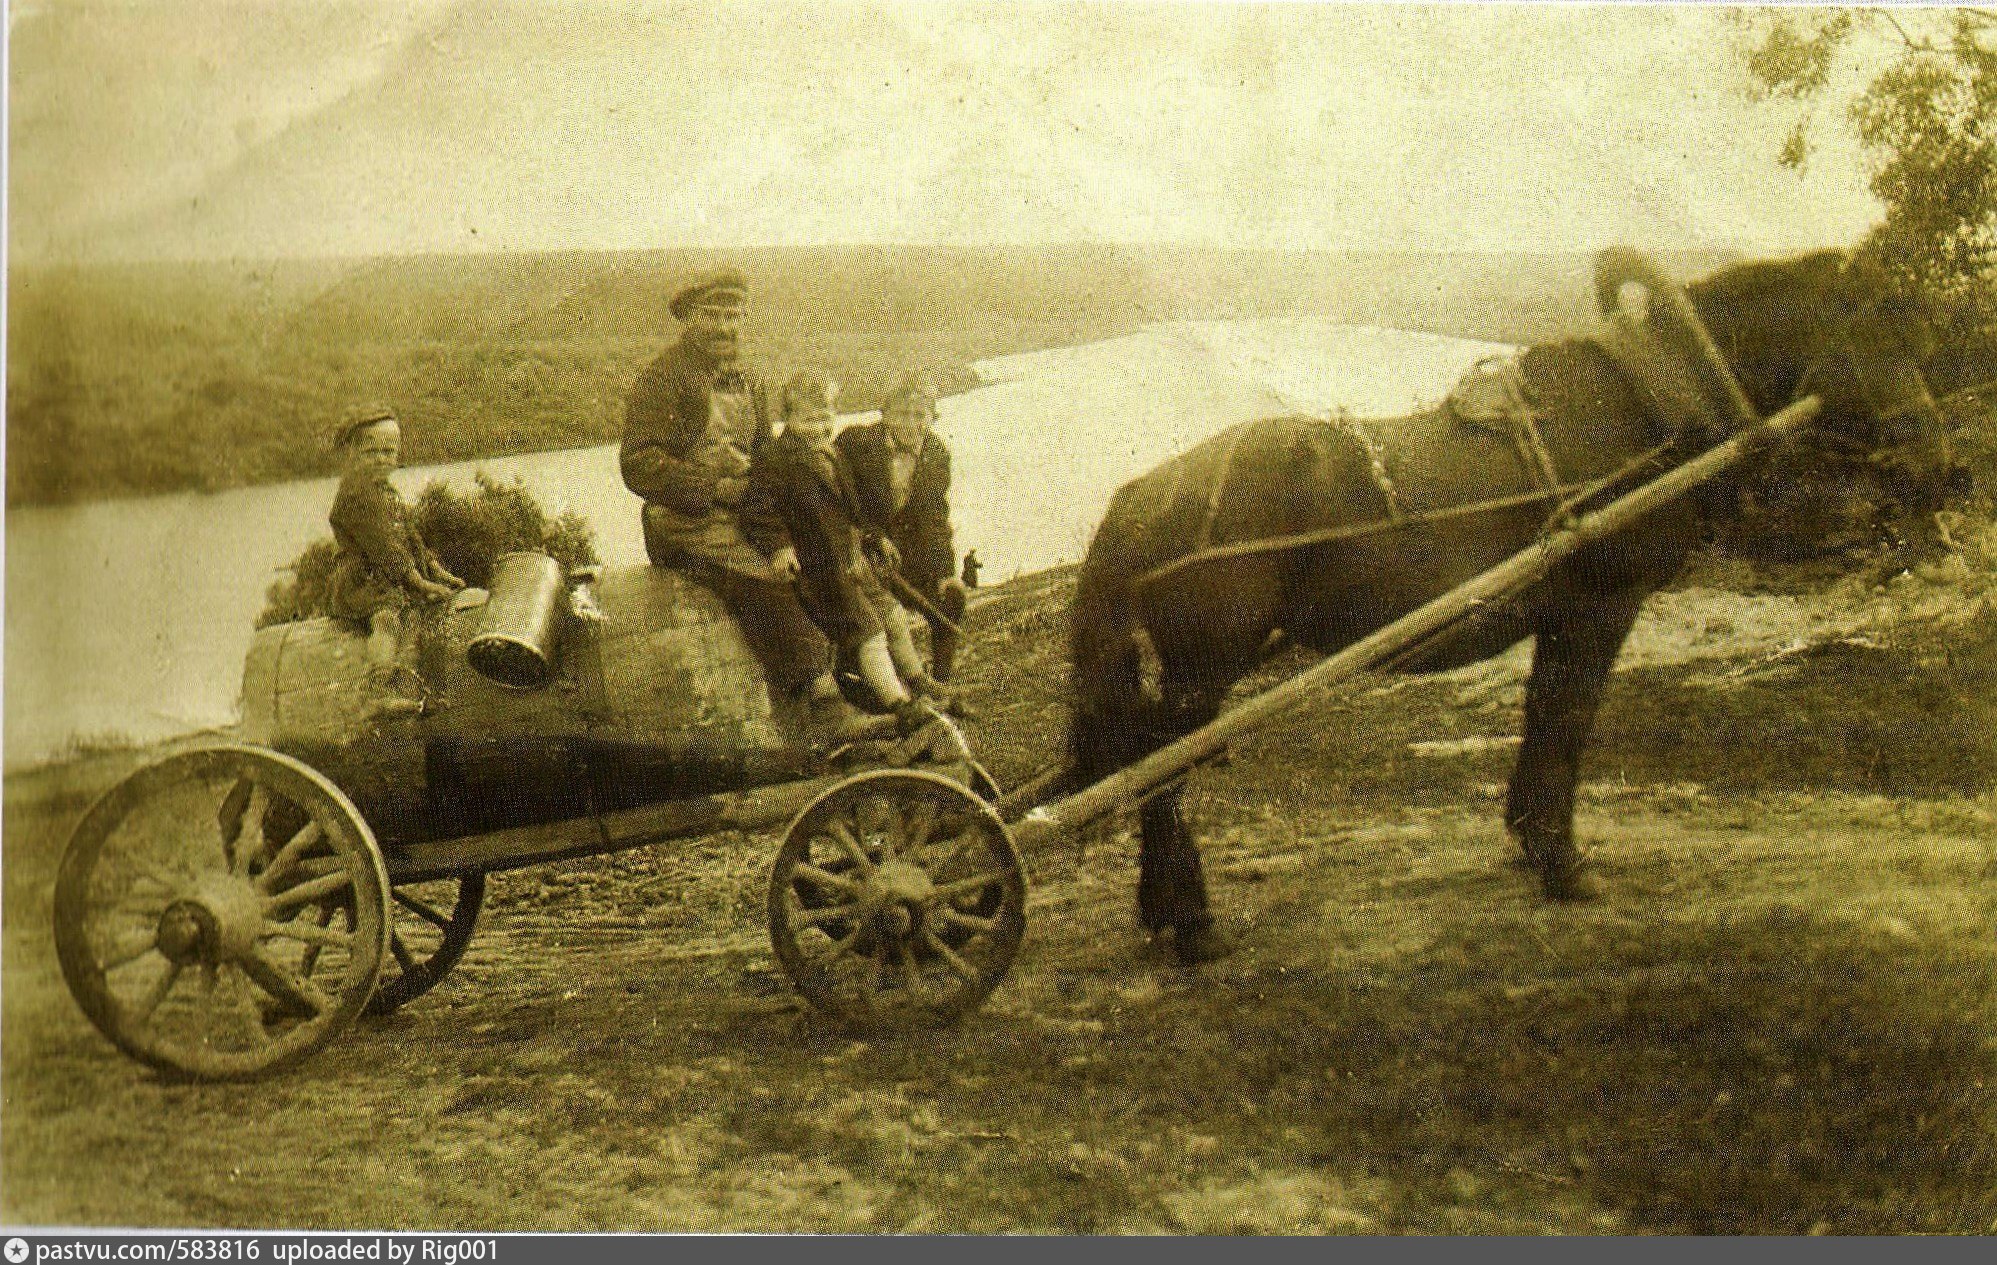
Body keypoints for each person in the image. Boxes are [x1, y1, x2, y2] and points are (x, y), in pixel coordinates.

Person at [619, 267, 869, 742]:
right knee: (768, 576)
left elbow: (763, 453)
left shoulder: (749, 379)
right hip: (683, 521)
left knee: (815, 553)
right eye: (712, 315)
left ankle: (860, 676)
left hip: (743, 508)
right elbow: (639, 463)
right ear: (689, 319)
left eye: (733, 315)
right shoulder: (664, 379)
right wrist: (713, 488)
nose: (725, 327)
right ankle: (822, 704)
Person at [743, 370, 942, 730]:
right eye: (807, 420)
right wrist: (779, 547)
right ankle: (899, 705)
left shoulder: (830, 453)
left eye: (825, 418)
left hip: (850, 560)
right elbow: (758, 509)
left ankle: (917, 681)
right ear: (787, 418)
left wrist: (873, 536)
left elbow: (850, 508)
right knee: (868, 631)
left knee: (892, 615)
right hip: (820, 570)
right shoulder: (776, 460)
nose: (818, 427)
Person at [324, 405, 463, 716]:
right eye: (372, 452)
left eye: (390, 451)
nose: (382, 459)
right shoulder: (356, 494)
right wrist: (420, 581)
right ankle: (378, 690)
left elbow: (410, 539)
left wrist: (440, 574)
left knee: (415, 618)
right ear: (353, 453)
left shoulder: (385, 492)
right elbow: (384, 546)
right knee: (385, 618)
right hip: (362, 581)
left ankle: (419, 688)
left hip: (387, 574)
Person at [836, 371, 970, 681]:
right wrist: (871, 536)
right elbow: (835, 498)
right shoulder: (856, 443)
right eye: (901, 414)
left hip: (903, 555)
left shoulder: (935, 453)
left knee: (950, 599)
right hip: (857, 547)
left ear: (932, 417)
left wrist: (945, 572)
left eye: (919, 415)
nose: (911, 423)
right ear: (884, 415)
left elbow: (934, 515)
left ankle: (941, 681)